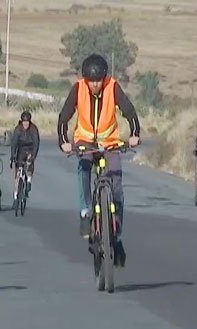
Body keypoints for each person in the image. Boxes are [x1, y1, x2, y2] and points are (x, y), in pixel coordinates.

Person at [57, 54, 140, 267]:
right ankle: (85, 212)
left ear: (104, 77)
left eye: (98, 80)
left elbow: (129, 112)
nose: (94, 85)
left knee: (117, 185)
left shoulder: (113, 87)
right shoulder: (78, 89)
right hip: (85, 142)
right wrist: (63, 141)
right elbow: (64, 117)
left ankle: (117, 232)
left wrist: (134, 134)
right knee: (83, 169)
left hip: (110, 143)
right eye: (91, 81)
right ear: (85, 79)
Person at [10, 111, 40, 205]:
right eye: (24, 122)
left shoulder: (33, 129)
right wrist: (12, 156)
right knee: (18, 173)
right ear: (21, 122)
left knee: (29, 164)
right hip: (21, 150)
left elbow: (36, 144)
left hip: (30, 149)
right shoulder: (18, 129)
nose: (25, 124)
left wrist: (33, 156)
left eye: (27, 122)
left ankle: (29, 180)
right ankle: (15, 196)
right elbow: (14, 143)